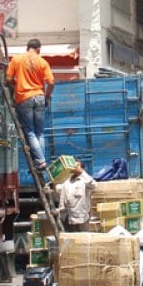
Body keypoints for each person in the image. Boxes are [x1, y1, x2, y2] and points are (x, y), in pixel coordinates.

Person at [6, 38, 55, 170]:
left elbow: (8, 79)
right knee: (39, 133)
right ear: (38, 49)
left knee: (30, 131)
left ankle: (40, 160)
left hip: (24, 97)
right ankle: (41, 160)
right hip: (39, 97)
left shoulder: (16, 60)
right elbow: (51, 82)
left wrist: (17, 84)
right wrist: (47, 97)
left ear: (27, 47)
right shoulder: (42, 61)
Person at [56, 161, 96, 232]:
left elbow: (93, 185)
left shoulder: (85, 181)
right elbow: (58, 189)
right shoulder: (67, 181)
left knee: (82, 239)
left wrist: (81, 173)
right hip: (66, 217)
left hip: (81, 219)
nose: (74, 167)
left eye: (77, 166)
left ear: (82, 168)